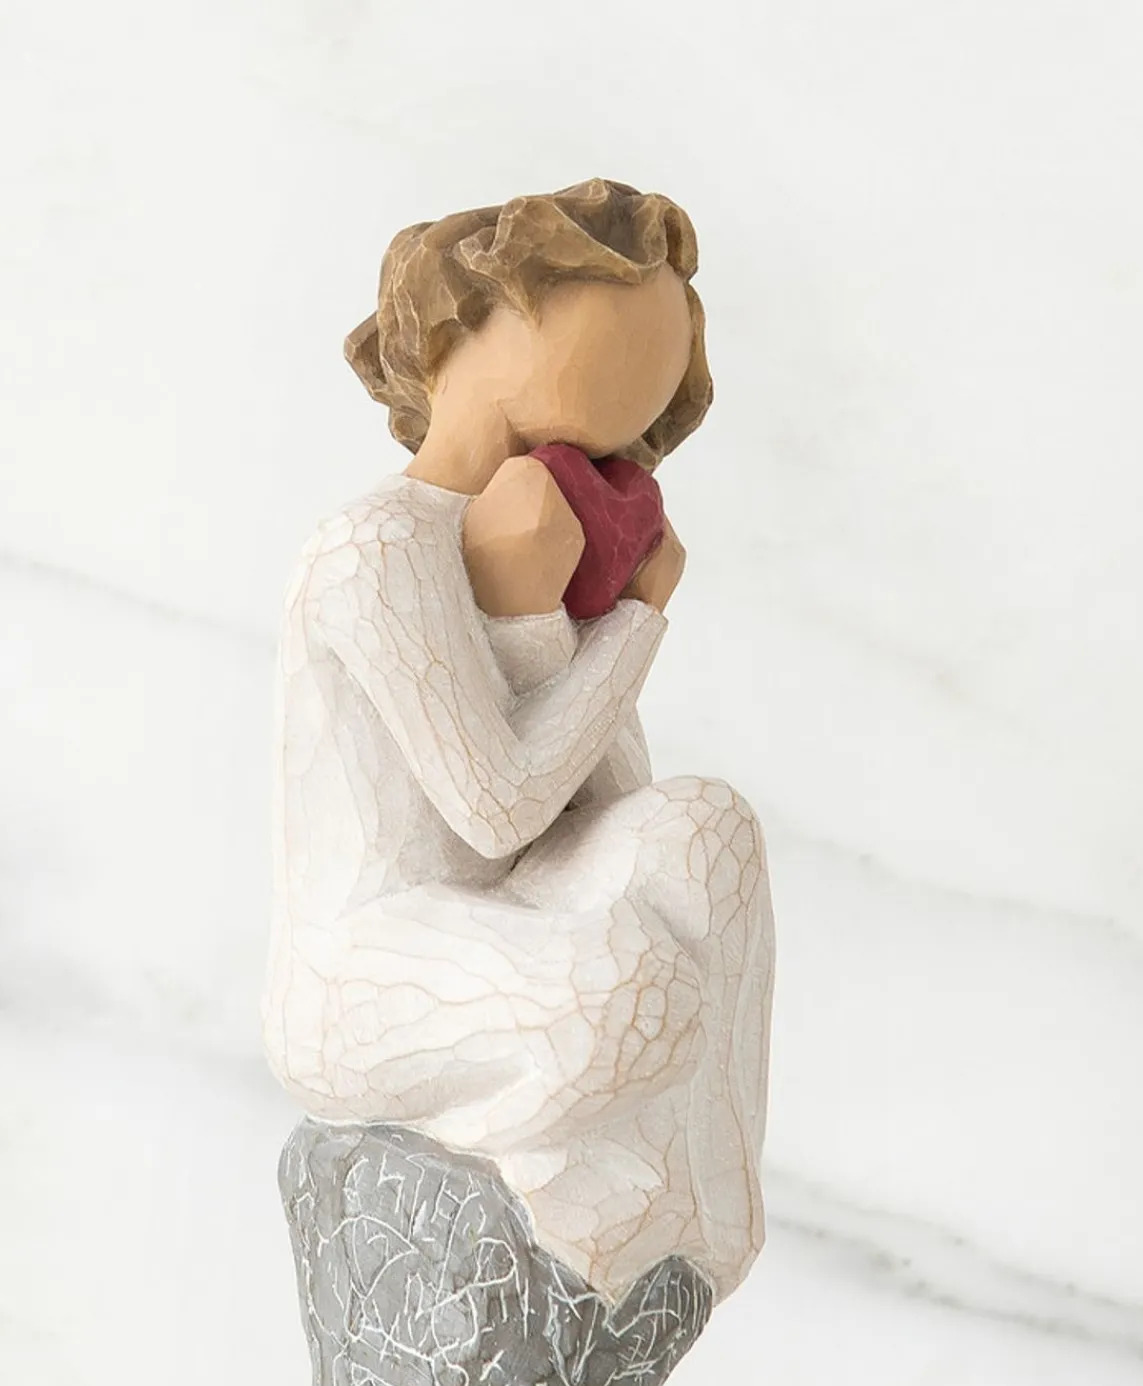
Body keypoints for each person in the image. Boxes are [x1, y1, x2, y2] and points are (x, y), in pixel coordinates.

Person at [262, 179, 775, 1305]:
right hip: (366, 966)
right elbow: (496, 810)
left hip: (506, 915)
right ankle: (527, 1196)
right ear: (475, 325)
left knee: (706, 830)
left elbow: (608, 809)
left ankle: (702, 1229)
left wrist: (545, 617)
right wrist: (628, 625)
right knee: (634, 994)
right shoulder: (372, 549)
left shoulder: (543, 525)